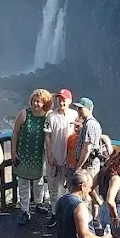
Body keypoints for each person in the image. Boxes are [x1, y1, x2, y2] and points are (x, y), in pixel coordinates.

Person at [11, 89, 52, 226]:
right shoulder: (24, 114)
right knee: (23, 183)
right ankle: (24, 211)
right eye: (34, 101)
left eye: (39, 102)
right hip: (23, 154)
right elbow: (15, 133)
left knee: (38, 182)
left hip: (37, 156)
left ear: (44, 103)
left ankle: (39, 204)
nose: (35, 104)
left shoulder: (47, 116)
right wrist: (13, 151)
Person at [42, 89, 78, 229]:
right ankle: (54, 213)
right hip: (53, 156)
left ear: (69, 100)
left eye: (64, 99)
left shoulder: (74, 115)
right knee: (52, 186)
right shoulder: (51, 116)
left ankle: (65, 213)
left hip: (69, 157)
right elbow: (47, 137)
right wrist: (49, 155)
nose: (61, 101)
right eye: (59, 99)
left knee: (67, 186)